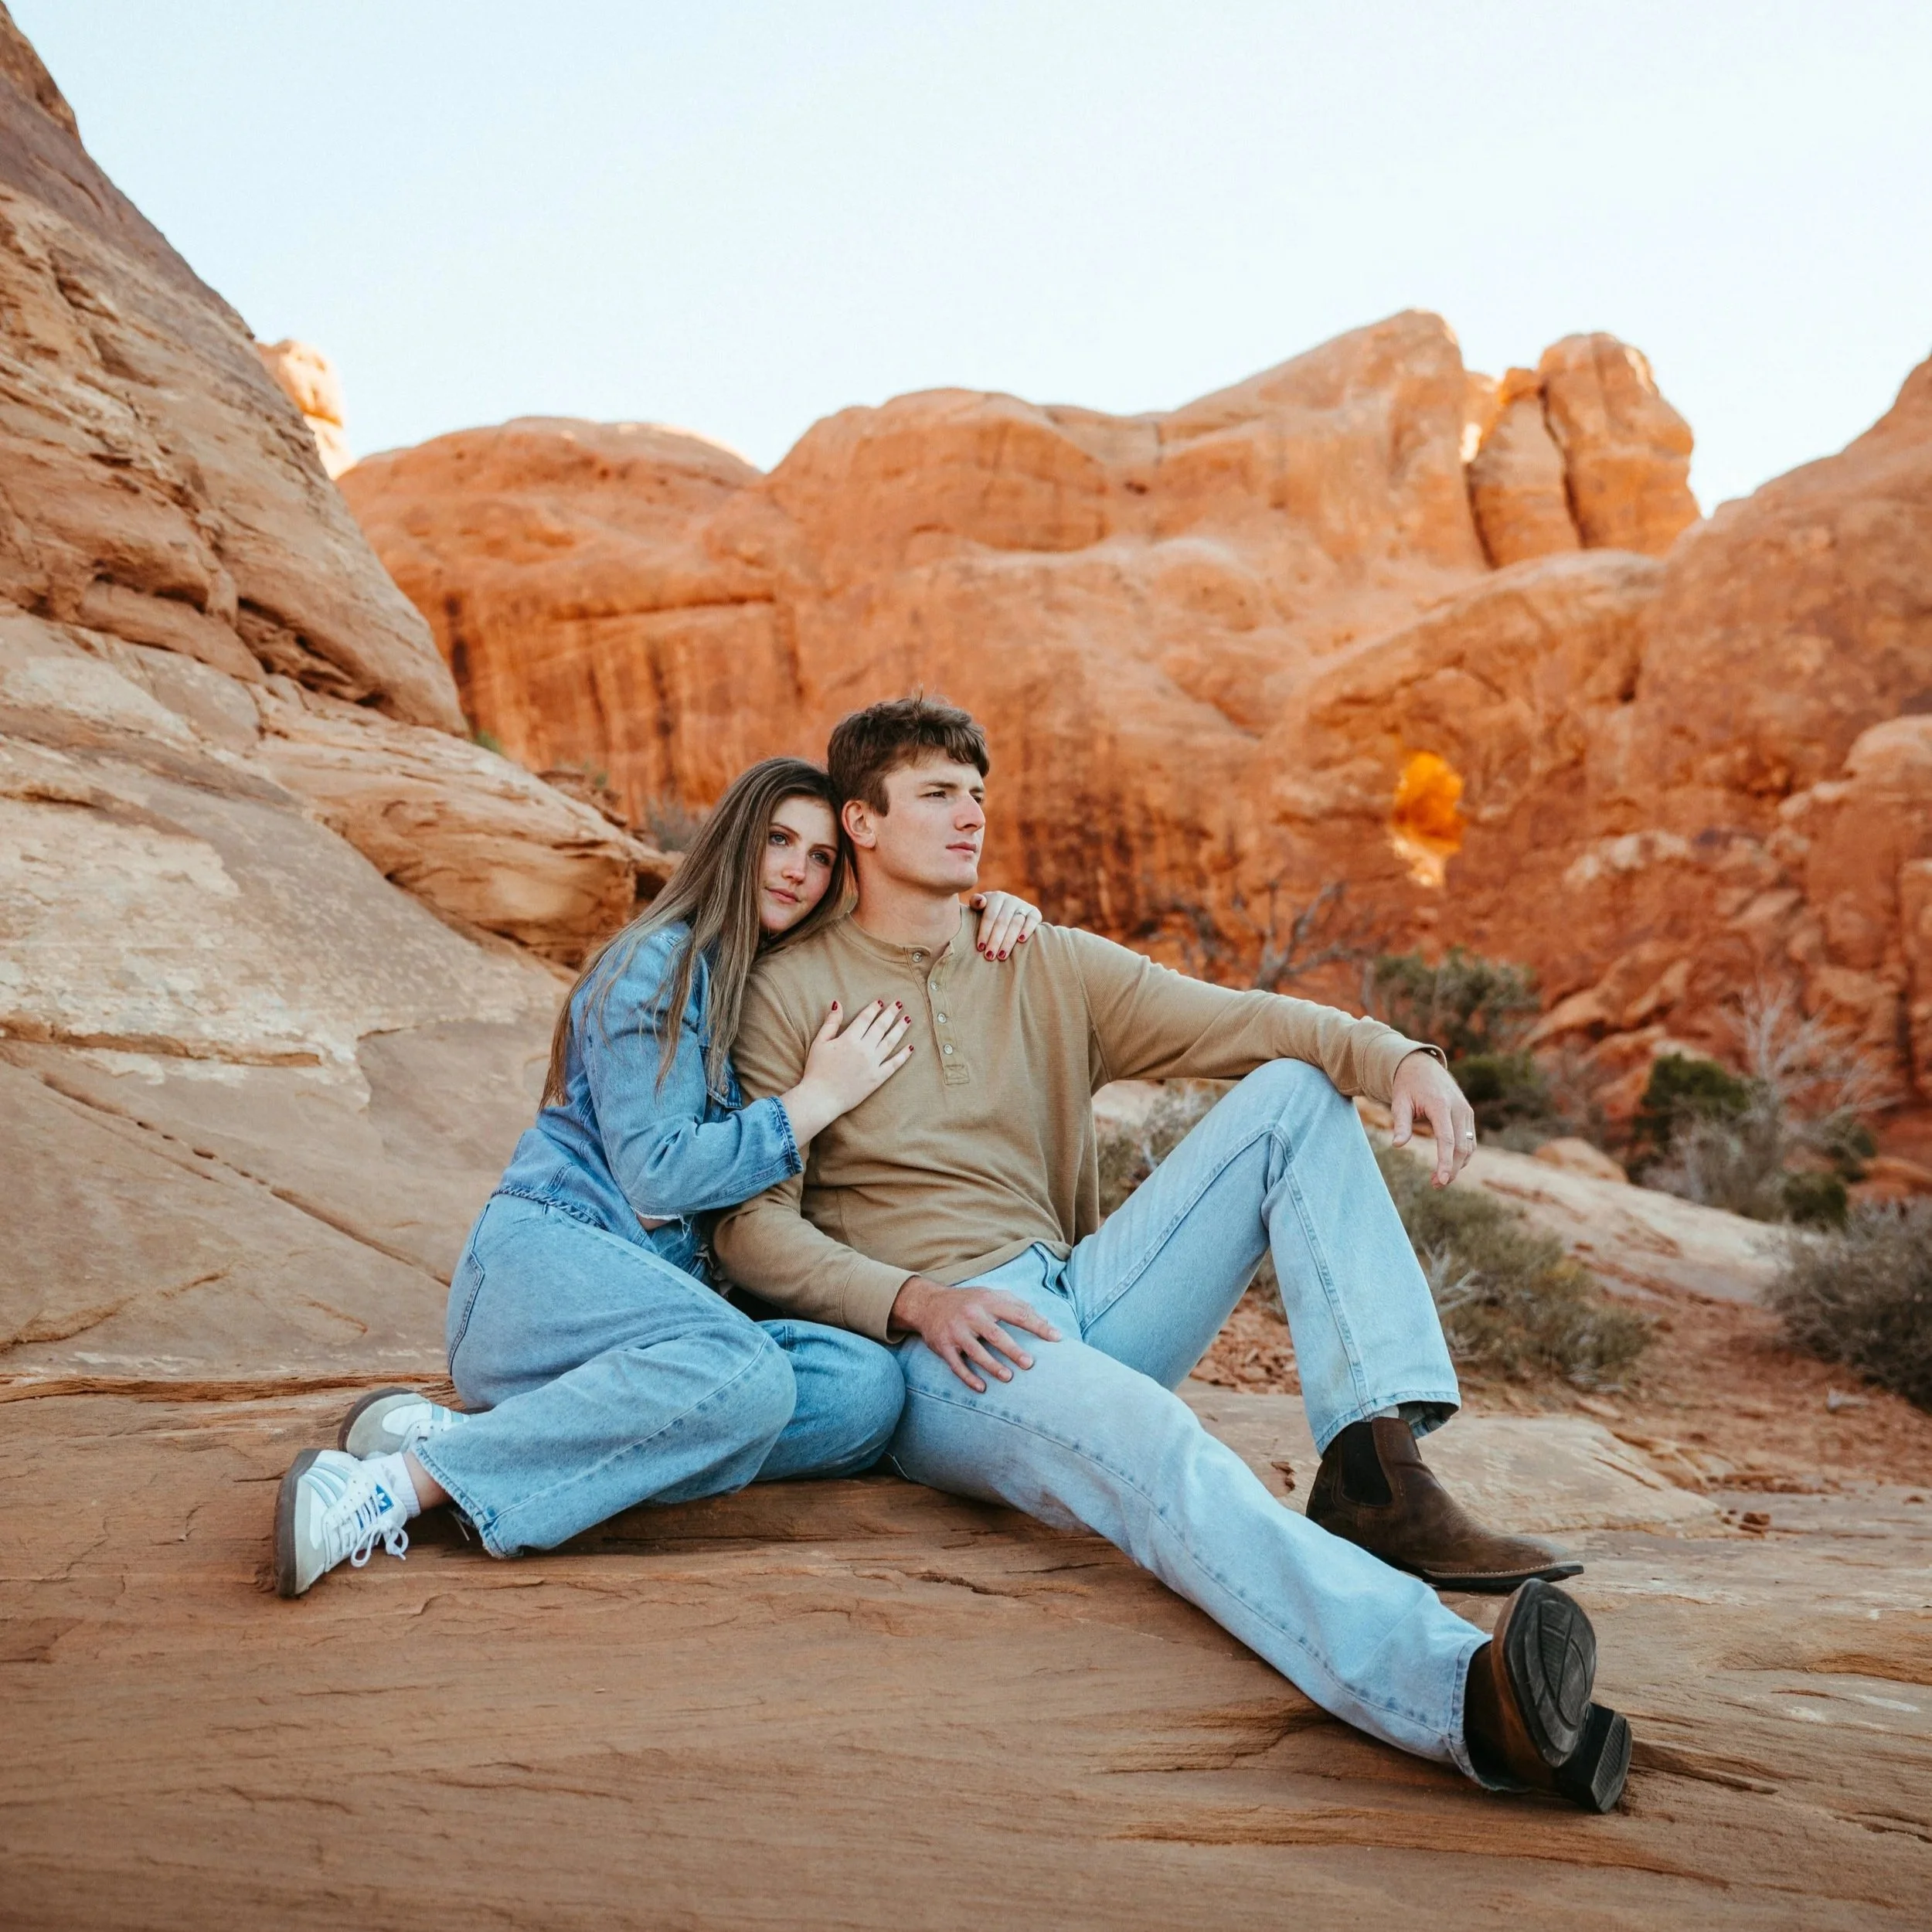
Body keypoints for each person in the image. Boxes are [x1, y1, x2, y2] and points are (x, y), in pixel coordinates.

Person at [712, 696, 1633, 1812]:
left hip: (1078, 1291)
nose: (970, 820)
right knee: (1166, 1451)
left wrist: (1401, 1058)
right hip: (944, 1353)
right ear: (860, 822)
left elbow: (1250, 1021)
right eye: (939, 797)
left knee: (1294, 1096)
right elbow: (753, 1226)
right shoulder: (787, 991)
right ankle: (1462, 1697)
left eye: (980, 797)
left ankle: (1374, 1470)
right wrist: (911, 1301)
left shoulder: (1038, 958)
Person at [273, 753, 1041, 1599]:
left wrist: (984, 915)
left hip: (652, 1331)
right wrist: (812, 1101)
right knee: (746, 1378)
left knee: (862, 1393)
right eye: (779, 840)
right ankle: (389, 1487)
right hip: (549, 1270)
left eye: (822, 857)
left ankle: (483, 1439)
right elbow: (652, 1176)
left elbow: (903, 934)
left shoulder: (773, 985)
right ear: (734, 842)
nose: (797, 868)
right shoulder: (658, 962)